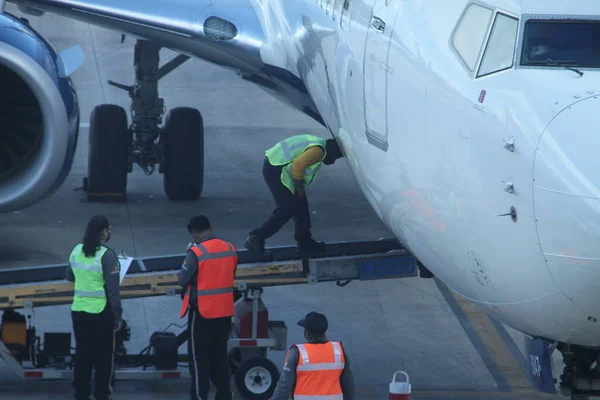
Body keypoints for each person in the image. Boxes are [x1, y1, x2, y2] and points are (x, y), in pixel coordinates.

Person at [244, 134, 344, 257]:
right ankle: (256, 238)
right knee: (287, 208)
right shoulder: (319, 151)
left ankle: (304, 243)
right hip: (276, 169)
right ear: (332, 151)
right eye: (336, 157)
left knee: (301, 206)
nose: (334, 161)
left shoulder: (318, 144)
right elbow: (298, 165)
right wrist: (299, 189)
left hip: (279, 167)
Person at [178, 215, 238, 400]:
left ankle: (199, 396)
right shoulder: (230, 248)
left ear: (195, 234)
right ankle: (224, 395)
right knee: (220, 356)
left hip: (202, 313)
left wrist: (188, 254)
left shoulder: (196, 253)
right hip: (224, 312)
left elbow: (182, 279)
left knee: (199, 361)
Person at [66, 215, 123, 400]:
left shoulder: (75, 251)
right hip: (100, 313)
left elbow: (70, 276)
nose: (110, 232)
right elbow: (113, 291)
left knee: (83, 354)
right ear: (102, 232)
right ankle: (101, 394)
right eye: (108, 229)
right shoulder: (107, 256)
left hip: (79, 311)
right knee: (103, 357)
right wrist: (117, 316)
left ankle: (81, 393)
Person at [270, 311, 355, 400]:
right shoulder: (339, 351)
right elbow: (348, 386)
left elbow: (284, 386)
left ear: (307, 332)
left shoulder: (297, 353)